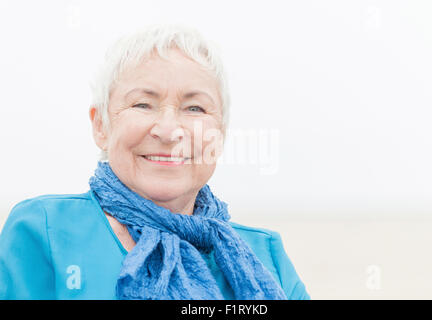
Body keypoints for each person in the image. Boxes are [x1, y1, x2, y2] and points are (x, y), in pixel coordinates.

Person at [0, 25, 310, 300]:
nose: (168, 130)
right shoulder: (45, 229)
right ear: (101, 126)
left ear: (219, 135)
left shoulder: (264, 256)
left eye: (195, 108)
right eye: (143, 104)